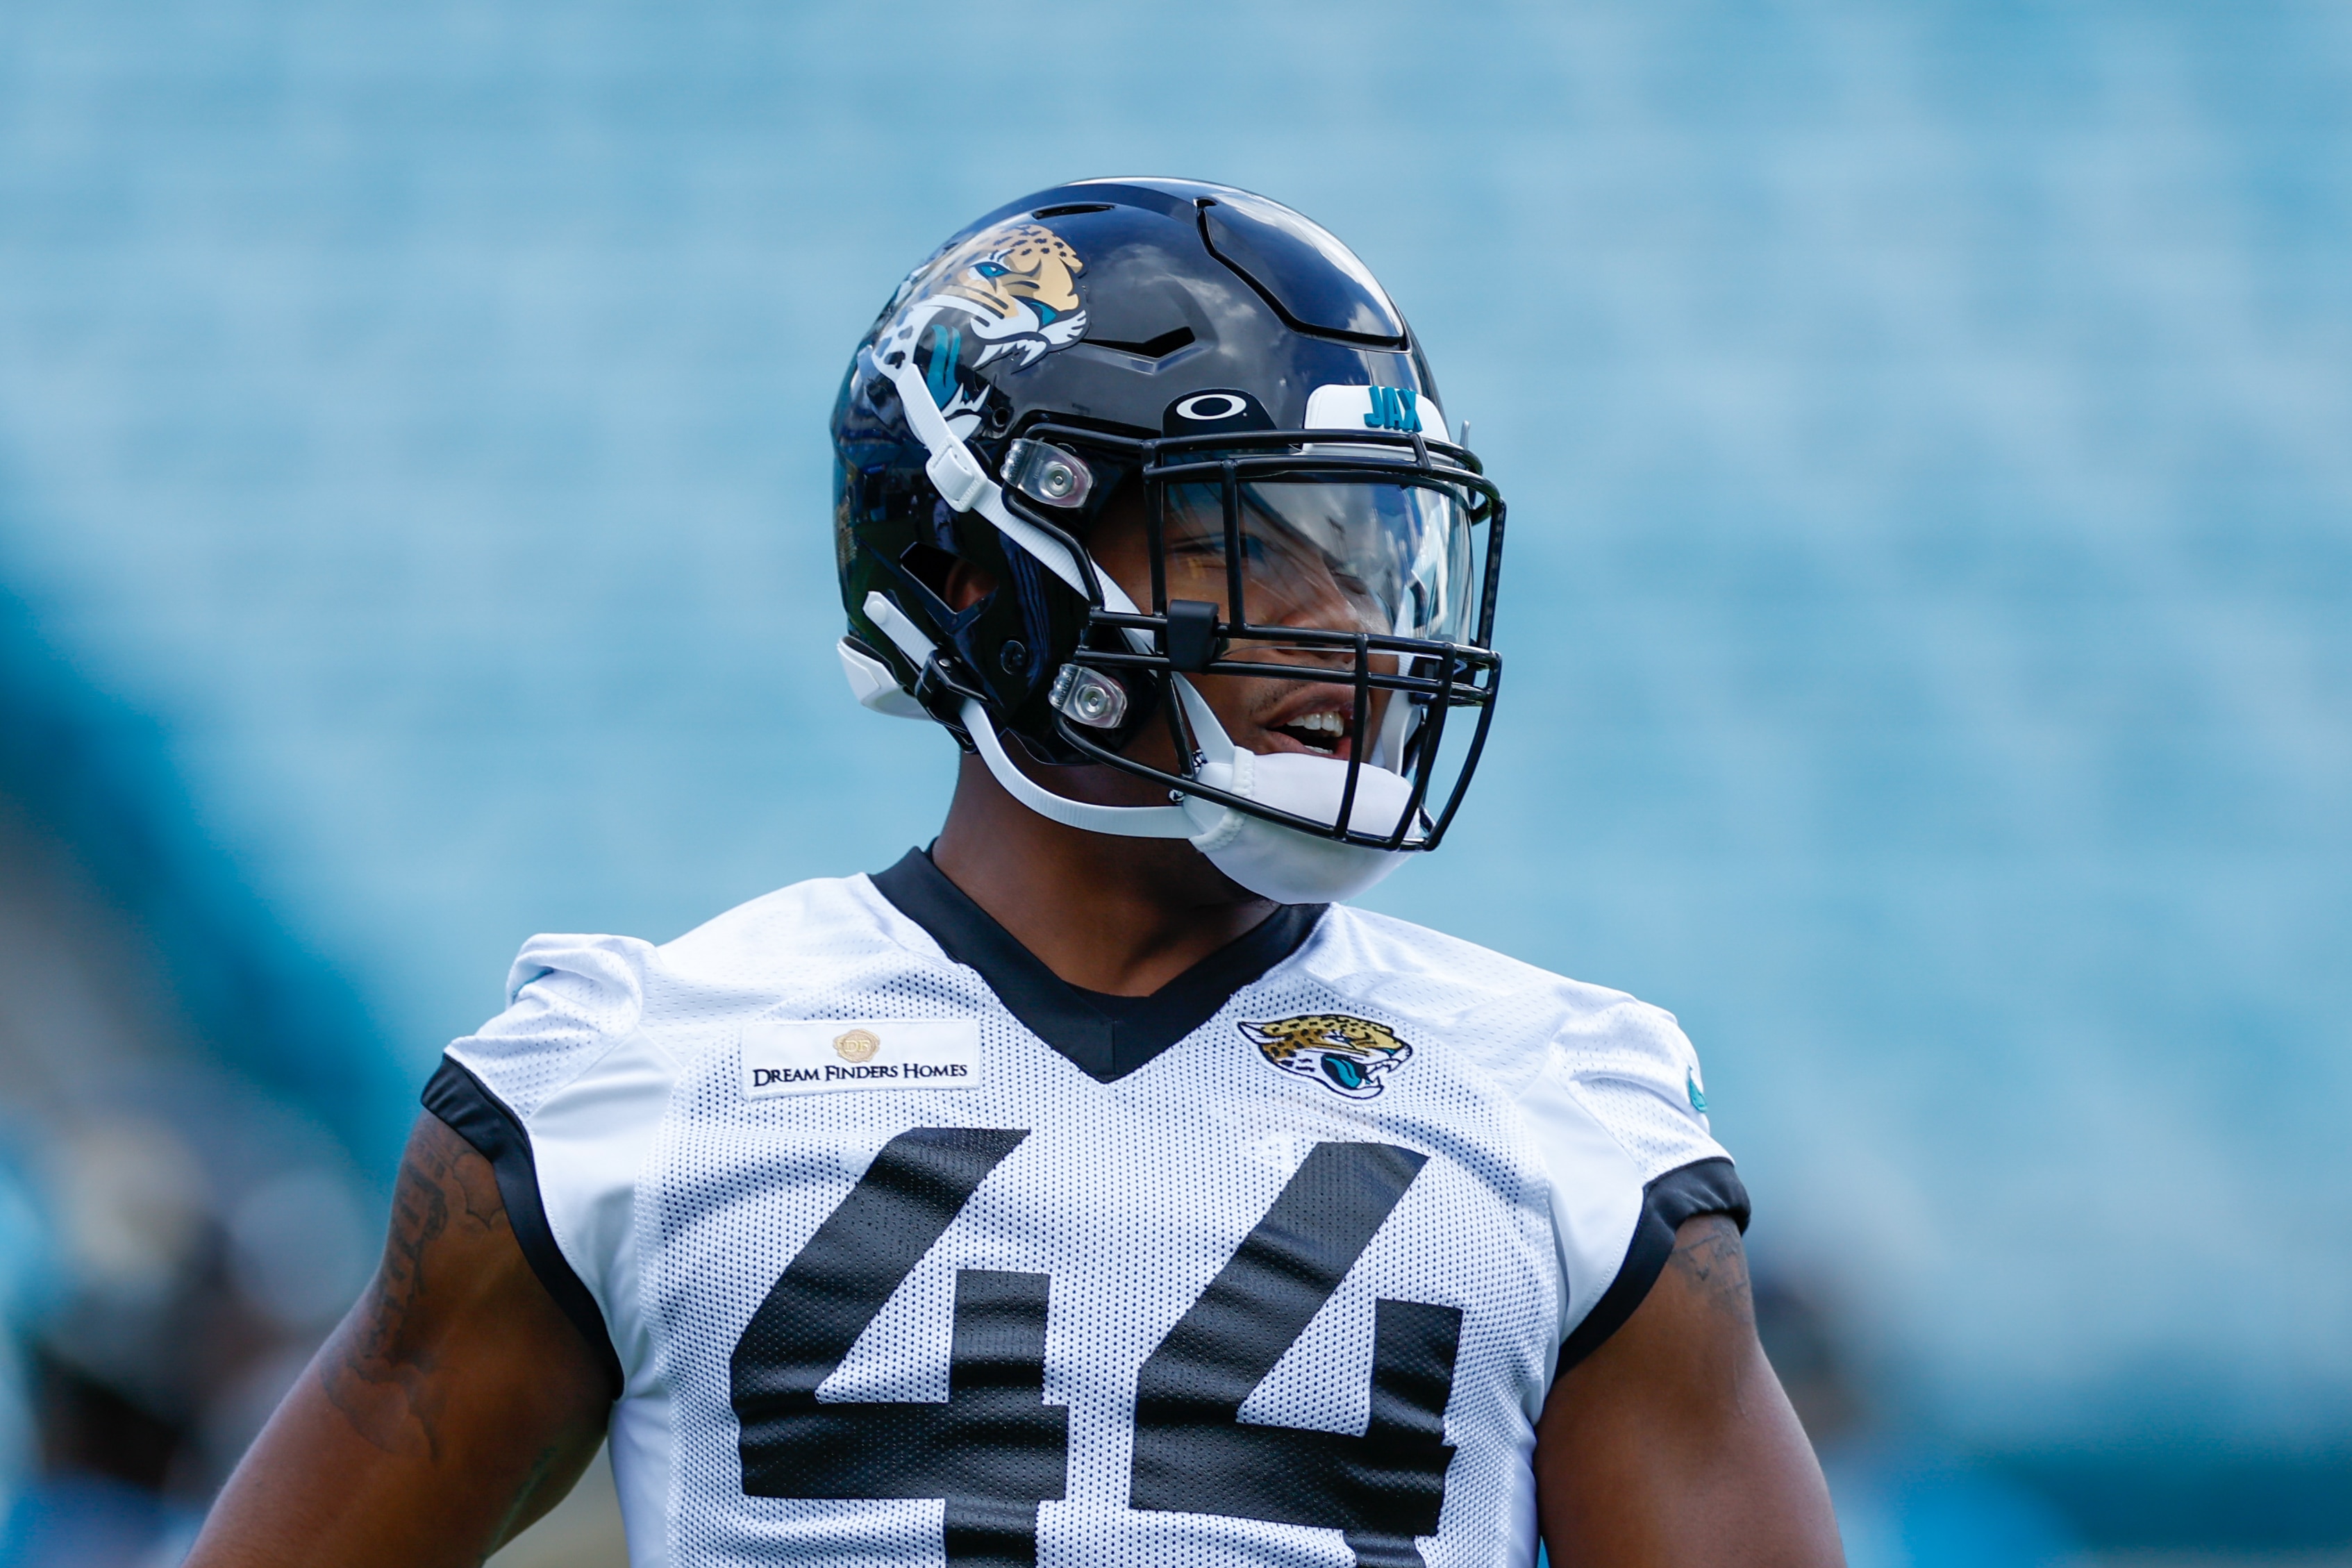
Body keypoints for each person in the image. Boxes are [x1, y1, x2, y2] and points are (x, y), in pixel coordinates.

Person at [186, 178, 1843, 1568]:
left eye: (1369, 555)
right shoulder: (627, 1074)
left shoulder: (1565, 1105)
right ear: (981, 571)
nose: (1352, 634)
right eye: (1250, 543)